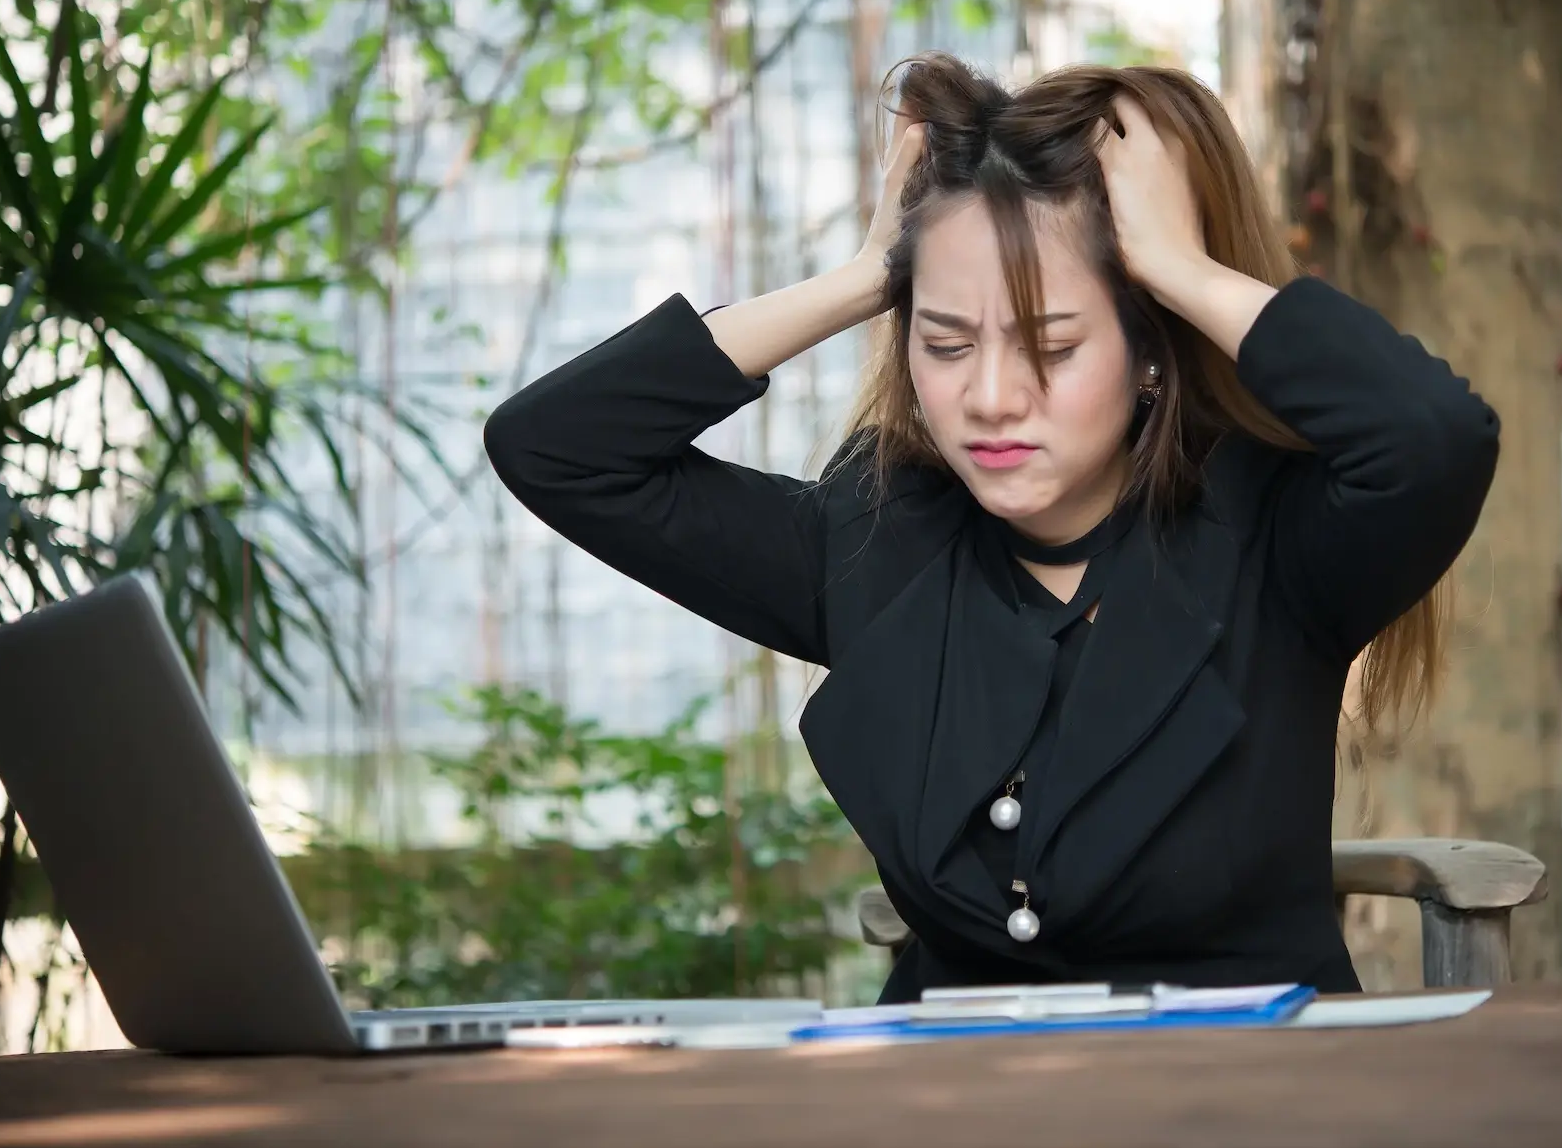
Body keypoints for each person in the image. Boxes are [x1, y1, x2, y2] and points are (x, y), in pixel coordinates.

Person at [484, 52, 1499, 1005]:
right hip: (951, 1094)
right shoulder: (874, 538)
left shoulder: (1278, 541)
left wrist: (1180, 269)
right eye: (946, 343)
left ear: (1152, 350)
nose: (991, 397)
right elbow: (557, 447)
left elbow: (1435, 437)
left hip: (1249, 1086)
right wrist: (869, 274)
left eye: (1052, 346)